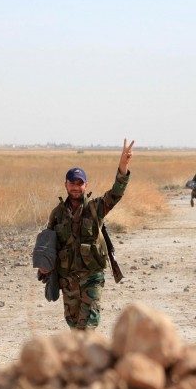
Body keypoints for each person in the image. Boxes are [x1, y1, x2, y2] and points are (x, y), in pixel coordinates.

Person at [41, 139, 134, 330]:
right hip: (68, 281)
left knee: (89, 325)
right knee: (75, 326)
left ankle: (89, 357)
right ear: (65, 185)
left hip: (92, 277)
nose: (75, 187)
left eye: (79, 183)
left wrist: (123, 166)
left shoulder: (96, 207)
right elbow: (48, 245)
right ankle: (82, 359)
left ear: (85, 185)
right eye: (72, 183)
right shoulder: (57, 214)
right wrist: (44, 268)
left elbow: (116, 193)